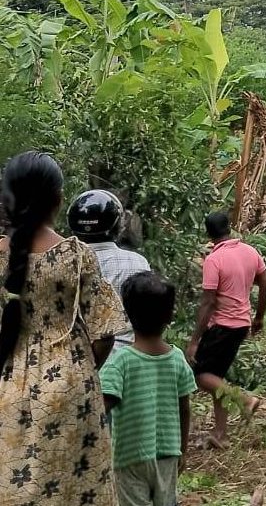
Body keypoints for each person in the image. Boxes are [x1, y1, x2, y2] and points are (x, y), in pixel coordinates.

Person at [0, 151, 128, 506]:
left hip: (10, 380)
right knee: (78, 486)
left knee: (19, 484)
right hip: (73, 383)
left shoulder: (1, 254)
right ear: (58, 199)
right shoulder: (76, 255)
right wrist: (78, 368)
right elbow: (105, 331)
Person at [100, 272, 196, 506]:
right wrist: (182, 449)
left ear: (128, 315)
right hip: (168, 453)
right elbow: (185, 408)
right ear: (169, 317)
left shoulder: (120, 362)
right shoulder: (177, 359)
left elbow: (101, 407)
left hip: (129, 457)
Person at [187, 212, 266, 449]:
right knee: (216, 379)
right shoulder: (249, 251)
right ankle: (221, 434)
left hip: (223, 327)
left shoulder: (214, 260)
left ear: (208, 234)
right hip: (241, 325)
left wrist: (195, 340)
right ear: (230, 228)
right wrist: (260, 316)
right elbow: (265, 284)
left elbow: (208, 303)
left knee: (201, 375)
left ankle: (245, 400)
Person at [68, 189, 150, 356]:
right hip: (126, 358)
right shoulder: (138, 263)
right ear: (117, 226)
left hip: (75, 361)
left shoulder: (61, 263)